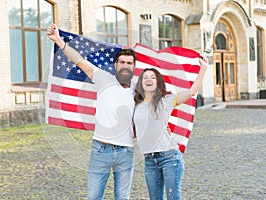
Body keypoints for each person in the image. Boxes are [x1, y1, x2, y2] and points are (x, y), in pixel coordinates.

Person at [47, 23, 136, 200]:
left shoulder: (138, 90)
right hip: (100, 149)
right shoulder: (104, 79)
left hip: (126, 152)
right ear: (116, 65)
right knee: (94, 196)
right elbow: (79, 60)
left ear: (133, 67)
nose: (126, 66)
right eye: (122, 62)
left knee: (123, 197)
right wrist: (59, 41)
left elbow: (155, 111)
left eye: (129, 63)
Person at [133, 57, 208, 200]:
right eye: (145, 78)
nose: (148, 80)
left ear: (157, 82)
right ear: (141, 83)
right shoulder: (136, 104)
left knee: (173, 197)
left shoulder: (166, 100)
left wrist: (203, 68)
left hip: (169, 158)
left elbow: (192, 92)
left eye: (152, 77)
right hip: (149, 159)